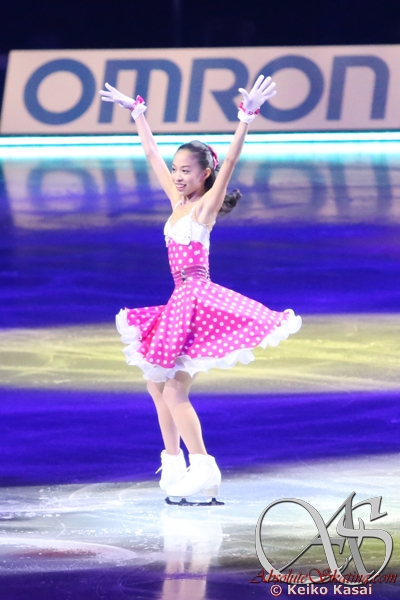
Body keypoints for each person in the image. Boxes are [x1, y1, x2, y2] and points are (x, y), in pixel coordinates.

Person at [99, 76, 302, 504]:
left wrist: (246, 118)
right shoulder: (177, 204)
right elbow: (151, 154)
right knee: (156, 384)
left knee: (174, 388)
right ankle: (174, 462)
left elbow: (230, 162)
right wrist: (138, 114)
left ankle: (204, 466)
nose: (177, 176)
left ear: (204, 174)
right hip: (179, 301)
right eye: (176, 170)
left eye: (186, 171)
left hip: (198, 300)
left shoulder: (204, 209)